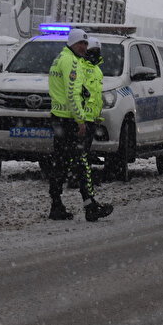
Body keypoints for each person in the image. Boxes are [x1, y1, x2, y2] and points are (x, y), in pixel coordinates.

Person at [46, 28, 113, 222]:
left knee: (60, 163)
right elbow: (72, 94)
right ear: (72, 43)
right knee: (81, 162)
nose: (84, 47)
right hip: (69, 121)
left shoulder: (60, 58)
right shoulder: (71, 62)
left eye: (86, 44)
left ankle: (56, 204)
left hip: (59, 118)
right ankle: (90, 206)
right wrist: (80, 119)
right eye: (80, 44)